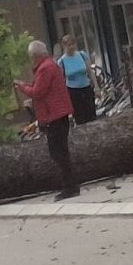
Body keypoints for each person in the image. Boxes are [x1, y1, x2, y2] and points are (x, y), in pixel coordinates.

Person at [14, 40, 80, 201]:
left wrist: (22, 86)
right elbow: (41, 89)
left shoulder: (45, 68)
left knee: (58, 152)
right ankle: (70, 185)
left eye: (31, 56)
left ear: (35, 55)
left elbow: (38, 92)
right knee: (60, 151)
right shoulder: (49, 66)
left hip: (54, 115)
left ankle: (70, 186)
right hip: (57, 113)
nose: (30, 59)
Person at [57, 35, 100, 125]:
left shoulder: (82, 55)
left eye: (73, 44)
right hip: (73, 91)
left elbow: (90, 71)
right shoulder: (62, 61)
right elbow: (61, 80)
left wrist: (96, 86)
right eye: (69, 45)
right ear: (64, 46)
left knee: (91, 114)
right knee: (80, 116)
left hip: (86, 87)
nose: (72, 47)